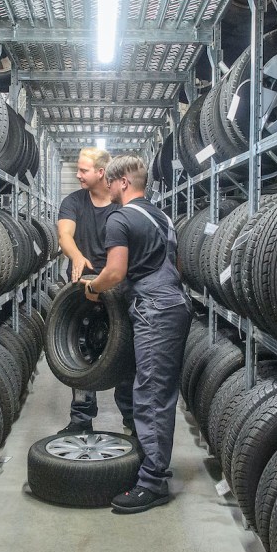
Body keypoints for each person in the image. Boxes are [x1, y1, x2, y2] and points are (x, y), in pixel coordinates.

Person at [82, 155, 192, 514]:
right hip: (172, 302)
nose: (109, 190)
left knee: (152, 393)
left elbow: (114, 272)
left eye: (111, 184)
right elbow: (173, 266)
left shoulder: (120, 218)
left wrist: (93, 288)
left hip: (155, 309)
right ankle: (151, 459)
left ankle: (153, 483)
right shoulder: (162, 217)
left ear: (123, 183)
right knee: (149, 388)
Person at [56, 147, 135, 435]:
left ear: (101, 172)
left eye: (83, 170)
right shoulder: (74, 201)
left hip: (117, 290)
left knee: (124, 355)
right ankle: (81, 420)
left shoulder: (121, 205)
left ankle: (131, 419)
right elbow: (64, 234)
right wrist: (76, 256)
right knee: (79, 355)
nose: (78, 175)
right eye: (77, 169)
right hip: (81, 295)